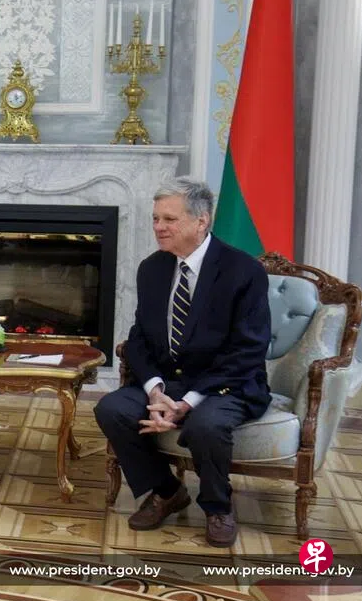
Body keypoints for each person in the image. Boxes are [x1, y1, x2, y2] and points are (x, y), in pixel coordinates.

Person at [94, 177, 271, 547]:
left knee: (207, 425)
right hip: (167, 381)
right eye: (156, 218)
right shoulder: (152, 268)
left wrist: (187, 402)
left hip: (225, 385)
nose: (159, 227)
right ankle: (167, 491)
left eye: (170, 219)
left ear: (201, 221)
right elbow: (139, 338)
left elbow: (248, 351)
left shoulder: (243, 271)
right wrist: (155, 390)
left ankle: (218, 507)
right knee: (112, 408)